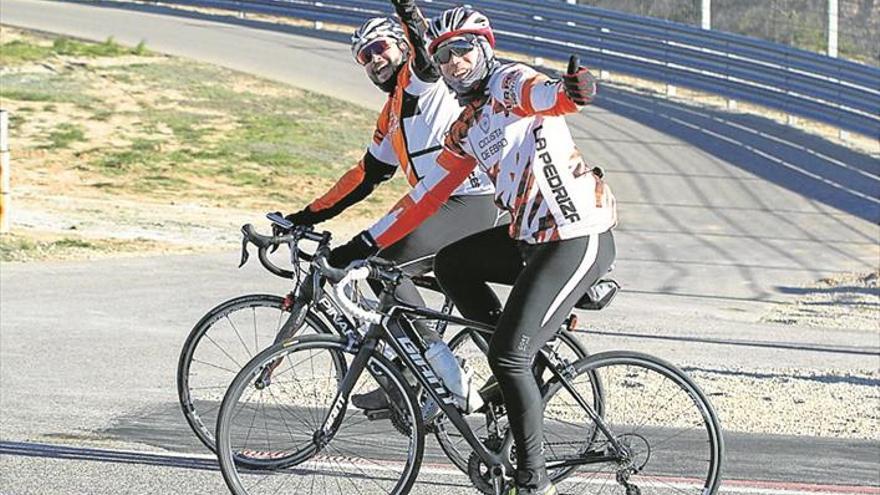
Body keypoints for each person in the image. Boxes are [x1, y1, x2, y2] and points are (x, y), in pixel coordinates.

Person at [329, 5, 617, 494]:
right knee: (451, 263)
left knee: (509, 356)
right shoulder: (467, 126)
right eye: (442, 57)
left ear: (484, 48)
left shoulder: (508, 83)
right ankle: (511, 367)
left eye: (462, 50)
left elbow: (545, 95)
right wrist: (363, 243)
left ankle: (533, 480)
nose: (453, 63)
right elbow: (426, 196)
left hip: (576, 233)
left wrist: (572, 92)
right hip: (529, 237)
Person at [280, 12, 503, 411]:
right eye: (364, 57)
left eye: (379, 48)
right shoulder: (392, 115)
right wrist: (303, 217)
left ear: (400, 47)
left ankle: (445, 373)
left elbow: (421, 45)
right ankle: (409, 376)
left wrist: (405, 9)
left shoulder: (419, 80)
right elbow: (364, 177)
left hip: (474, 200)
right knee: (380, 273)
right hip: (438, 204)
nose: (373, 60)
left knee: (383, 266)